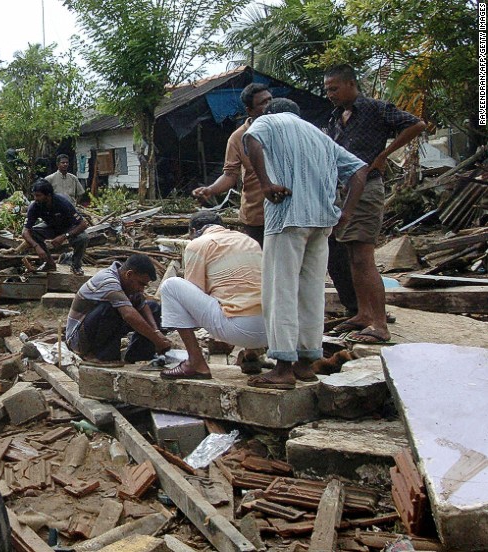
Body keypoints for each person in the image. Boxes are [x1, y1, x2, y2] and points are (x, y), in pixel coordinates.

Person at [243, 98, 369, 389]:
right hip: (321, 221)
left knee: (280, 290)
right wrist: (346, 213)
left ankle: (283, 369)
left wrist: (264, 184)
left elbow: (251, 138)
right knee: (311, 292)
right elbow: (360, 171)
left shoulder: (270, 120)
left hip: (288, 217)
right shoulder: (319, 135)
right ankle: (305, 364)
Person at [323, 64, 426, 343]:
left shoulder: (375, 108)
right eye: (327, 89)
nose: (330, 94)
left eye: (334, 88)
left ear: (351, 85)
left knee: (364, 257)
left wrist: (383, 155)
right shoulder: (334, 118)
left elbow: (416, 124)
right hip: (345, 191)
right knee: (352, 256)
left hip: (367, 188)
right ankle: (364, 314)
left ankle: (379, 324)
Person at [155, 211, 268, 379]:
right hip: (271, 332)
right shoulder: (249, 241)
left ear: (193, 231)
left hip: (238, 329)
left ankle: (195, 362)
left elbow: (196, 291)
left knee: (171, 286)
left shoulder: (198, 244)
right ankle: (251, 353)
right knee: (246, 290)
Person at [192, 83, 273, 245]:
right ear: (249, 110)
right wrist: (210, 189)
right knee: (259, 263)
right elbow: (230, 175)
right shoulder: (238, 138)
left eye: (270, 100)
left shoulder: (284, 130)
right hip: (257, 215)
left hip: (286, 213)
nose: (269, 106)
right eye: (263, 103)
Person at [65, 254, 172, 363]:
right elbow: (128, 315)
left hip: (97, 328)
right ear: (129, 274)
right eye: (141, 284)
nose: (141, 289)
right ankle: (101, 356)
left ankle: (138, 357)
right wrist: (157, 341)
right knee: (111, 309)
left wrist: (156, 331)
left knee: (153, 307)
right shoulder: (108, 280)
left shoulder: (128, 283)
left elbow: (143, 305)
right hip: (79, 339)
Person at [23, 178, 90, 275]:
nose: (35, 198)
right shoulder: (34, 206)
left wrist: (64, 236)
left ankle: (76, 266)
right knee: (32, 233)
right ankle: (49, 264)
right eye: (34, 195)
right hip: (51, 227)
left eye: (38, 195)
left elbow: (83, 224)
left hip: (68, 227)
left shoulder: (62, 203)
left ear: (48, 195)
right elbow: (25, 232)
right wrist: (37, 246)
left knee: (83, 238)